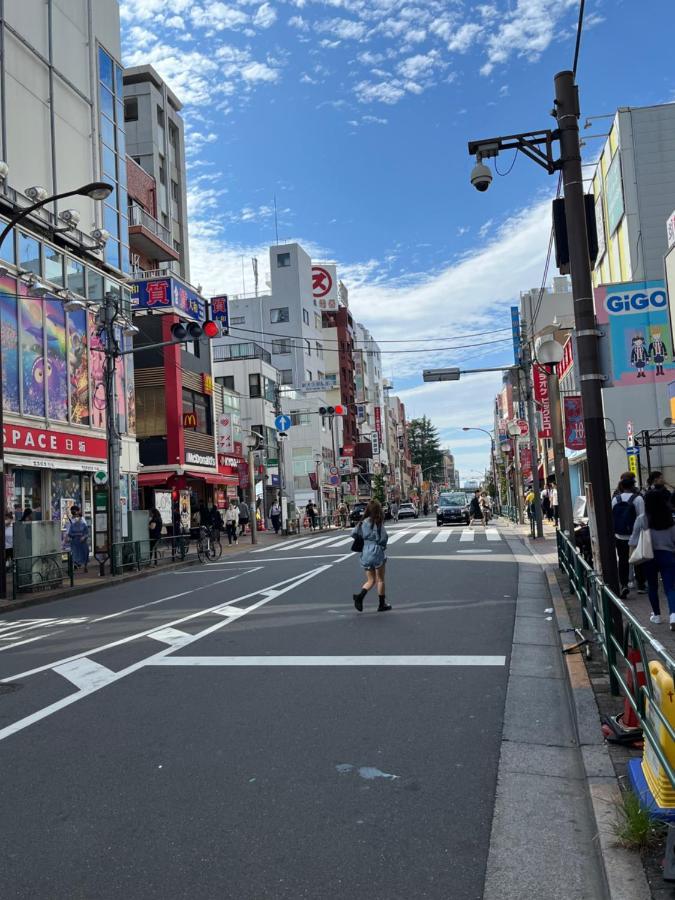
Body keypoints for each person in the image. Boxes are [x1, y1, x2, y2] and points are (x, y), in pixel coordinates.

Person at [629, 489, 675, 628]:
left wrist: (631, 557)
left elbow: (633, 541)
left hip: (648, 556)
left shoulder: (642, 519)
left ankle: (657, 615)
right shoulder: (669, 519)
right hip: (667, 555)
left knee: (653, 586)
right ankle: (673, 615)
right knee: (670, 587)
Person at [352, 499, 391, 613]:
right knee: (380, 580)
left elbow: (354, 533)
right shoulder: (378, 522)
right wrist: (382, 546)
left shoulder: (363, 522)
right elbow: (384, 537)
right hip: (376, 550)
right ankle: (381, 604)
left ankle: (360, 597)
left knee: (370, 580)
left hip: (366, 551)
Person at [613, 472, 645, 598]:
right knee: (638, 559)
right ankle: (641, 585)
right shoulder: (638, 499)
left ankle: (624, 585)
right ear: (633, 485)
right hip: (636, 536)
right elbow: (642, 518)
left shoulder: (616, 499)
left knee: (623, 560)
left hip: (620, 536)